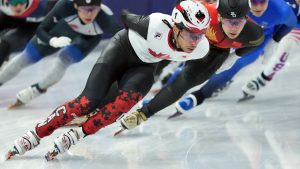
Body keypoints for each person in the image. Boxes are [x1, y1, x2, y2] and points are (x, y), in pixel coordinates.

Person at [6, 0, 211, 161]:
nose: (196, 41)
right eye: (191, 34)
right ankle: (34, 135)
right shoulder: (155, 23)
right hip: (122, 49)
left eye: (200, 34)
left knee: (121, 107)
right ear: (175, 27)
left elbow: (181, 62)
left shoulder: (201, 49)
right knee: (86, 102)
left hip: (145, 65)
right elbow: (126, 18)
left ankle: (76, 136)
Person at [117, 0, 265, 130]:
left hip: (216, 53)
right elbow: (180, 9)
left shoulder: (254, 33)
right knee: (159, 58)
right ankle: (126, 86)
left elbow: (255, 44)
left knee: (186, 81)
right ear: (219, 16)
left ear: (246, 18)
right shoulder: (204, 12)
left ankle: (144, 113)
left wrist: (234, 56)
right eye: (228, 21)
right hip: (192, 37)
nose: (233, 27)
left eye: (238, 22)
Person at [165, 0, 297, 118]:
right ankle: (168, 88)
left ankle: (198, 96)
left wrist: (275, 40)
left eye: (262, 1)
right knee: (200, 59)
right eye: (254, 2)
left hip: (257, 38)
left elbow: (291, 23)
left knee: (235, 65)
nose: (258, 6)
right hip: (227, 31)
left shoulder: (282, 10)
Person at [0, 0, 121, 108]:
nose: (89, 14)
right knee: (25, 58)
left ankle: (35, 90)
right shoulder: (64, 5)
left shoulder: (105, 17)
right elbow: (42, 29)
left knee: (63, 60)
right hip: (59, 31)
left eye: (93, 9)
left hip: (87, 39)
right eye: (84, 9)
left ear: (100, 7)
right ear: (75, 5)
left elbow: (124, 41)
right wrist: (52, 40)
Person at [241, 0, 300, 99]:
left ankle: (262, 79)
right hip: (272, 17)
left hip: (294, 24)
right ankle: (227, 76)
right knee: (255, 46)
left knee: (287, 45)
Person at [0, 0, 58, 68]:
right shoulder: (4, 8)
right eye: (13, 2)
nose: (18, 6)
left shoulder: (45, 5)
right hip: (13, 20)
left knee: (6, 43)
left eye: (22, 1)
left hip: (34, 28)